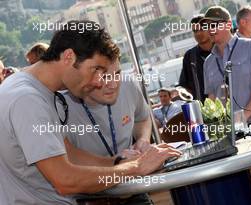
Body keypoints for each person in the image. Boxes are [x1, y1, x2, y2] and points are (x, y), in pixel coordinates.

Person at [0, 20, 181, 205]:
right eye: (96, 70)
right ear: (69, 56)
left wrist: (118, 161)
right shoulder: (28, 99)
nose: (98, 82)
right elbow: (65, 180)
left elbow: (70, 154)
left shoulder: (35, 90)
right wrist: (136, 168)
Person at [64, 60, 153, 204]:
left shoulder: (128, 84)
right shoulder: (60, 104)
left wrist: (143, 139)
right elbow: (67, 159)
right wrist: (117, 162)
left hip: (133, 190)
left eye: (117, 73)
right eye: (104, 77)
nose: (114, 84)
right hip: (90, 197)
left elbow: (142, 117)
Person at [202, 6, 251, 124]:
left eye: (214, 25)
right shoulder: (208, 63)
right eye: (206, 26)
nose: (210, 30)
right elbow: (212, 99)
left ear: (229, 24)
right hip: (230, 132)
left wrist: (243, 117)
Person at [179, 14, 213, 102]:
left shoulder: (221, 49)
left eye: (202, 29)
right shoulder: (189, 56)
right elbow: (184, 86)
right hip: (204, 110)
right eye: (195, 31)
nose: (198, 33)